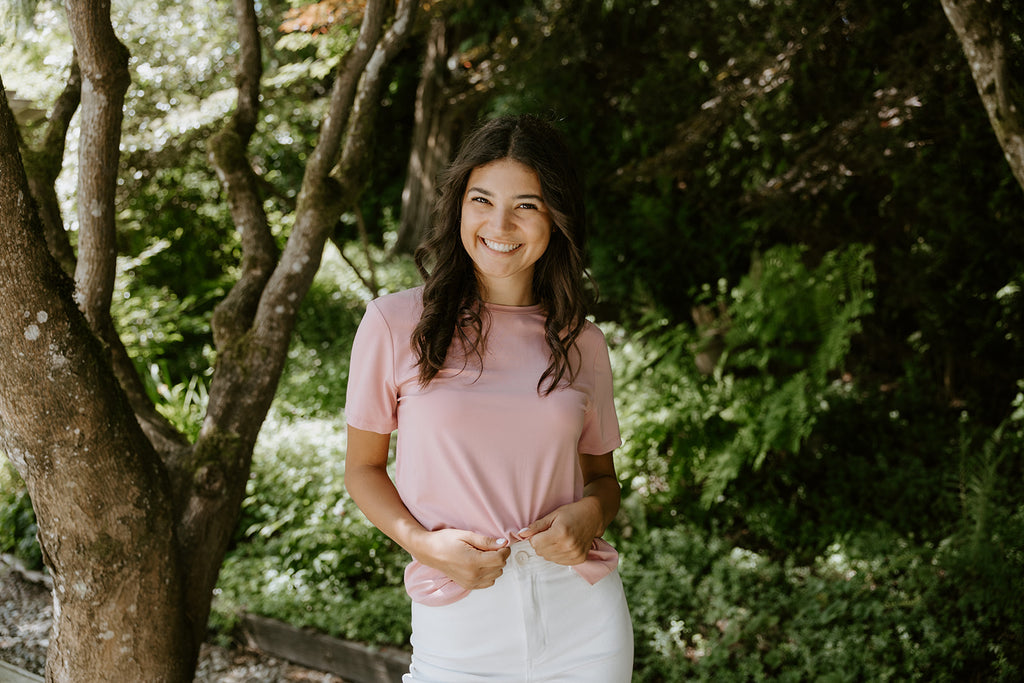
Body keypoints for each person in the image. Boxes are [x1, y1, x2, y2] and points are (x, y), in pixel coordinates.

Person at [343, 113, 633, 682]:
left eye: (526, 204)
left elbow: (603, 479)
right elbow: (363, 469)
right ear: (458, 206)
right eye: (482, 199)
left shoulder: (583, 342)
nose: (500, 223)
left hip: (584, 622)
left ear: (556, 217)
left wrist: (592, 512)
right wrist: (423, 544)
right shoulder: (393, 323)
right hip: (457, 616)